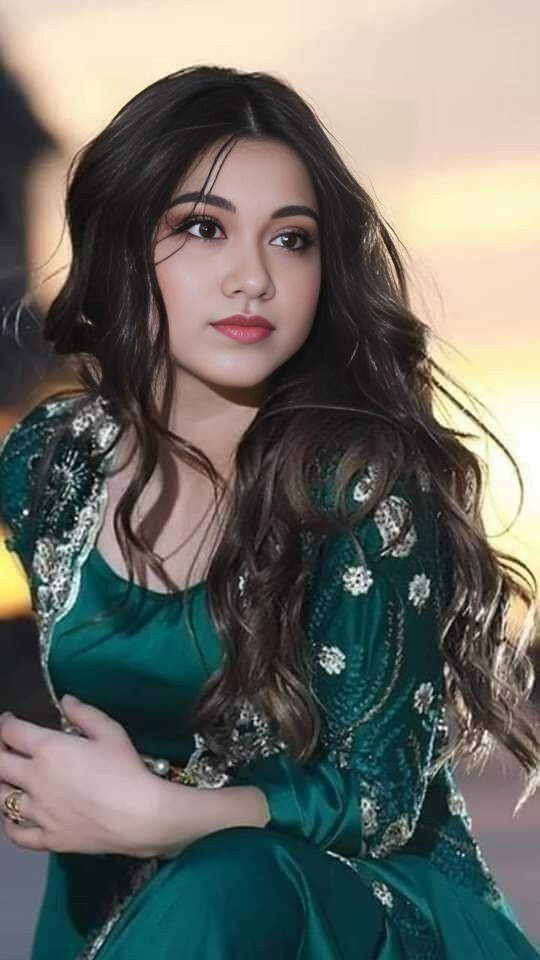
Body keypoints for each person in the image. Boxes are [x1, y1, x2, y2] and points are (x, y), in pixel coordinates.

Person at [0, 64, 538, 960]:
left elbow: (383, 798)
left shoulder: (358, 481)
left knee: (228, 879)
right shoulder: (50, 463)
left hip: (348, 910)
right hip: (117, 901)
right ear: (122, 245)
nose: (253, 278)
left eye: (291, 240)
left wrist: (166, 814)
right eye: (204, 228)